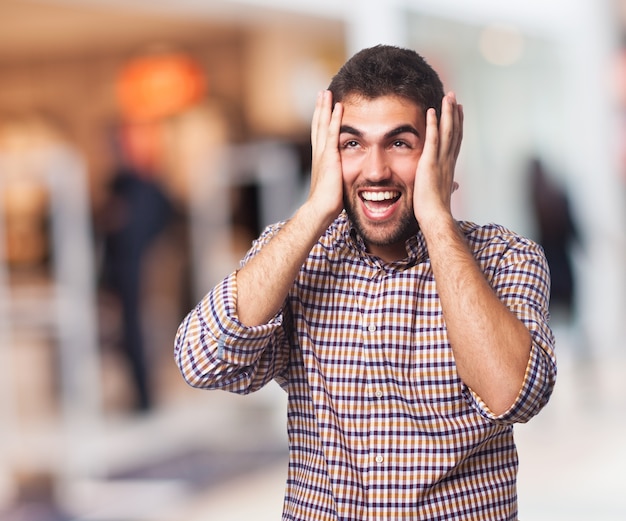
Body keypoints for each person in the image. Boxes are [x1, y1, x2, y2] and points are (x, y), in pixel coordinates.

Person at [174, 45, 556, 520]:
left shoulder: (505, 257)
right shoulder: (296, 252)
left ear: (440, 148)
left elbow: (513, 397)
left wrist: (436, 217)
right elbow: (202, 362)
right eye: (352, 143)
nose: (374, 171)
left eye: (400, 143)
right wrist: (315, 207)